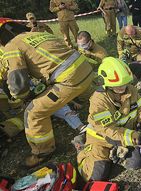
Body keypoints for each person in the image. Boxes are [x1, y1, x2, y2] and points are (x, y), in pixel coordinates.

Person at [0, 19, 94, 168]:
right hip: (86, 71)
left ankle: (42, 152)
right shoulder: (37, 35)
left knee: (33, 113)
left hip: (69, 80)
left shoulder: (12, 45)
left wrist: (23, 97)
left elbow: (18, 84)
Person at [77, 57, 141, 181]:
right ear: (105, 83)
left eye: (125, 84)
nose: (123, 88)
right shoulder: (99, 101)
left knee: (136, 163)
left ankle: (116, 151)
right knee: (95, 176)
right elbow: (108, 130)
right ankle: (81, 146)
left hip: (123, 134)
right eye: (118, 85)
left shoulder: (131, 90)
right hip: (101, 138)